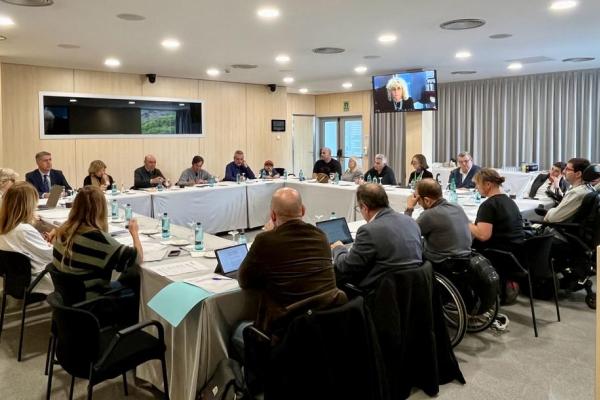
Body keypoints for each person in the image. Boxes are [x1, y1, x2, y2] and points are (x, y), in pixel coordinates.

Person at [238, 187, 347, 334]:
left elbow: (244, 281)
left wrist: (268, 233)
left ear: (273, 216)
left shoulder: (265, 240)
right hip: (326, 327)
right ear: (302, 210)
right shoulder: (321, 236)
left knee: (238, 330)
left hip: (286, 332)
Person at [332, 183, 422, 289]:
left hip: (381, 291)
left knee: (335, 271)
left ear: (365, 208)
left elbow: (346, 266)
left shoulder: (368, 231)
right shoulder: (410, 221)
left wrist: (338, 248)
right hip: (413, 288)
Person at [0, 182, 54, 293]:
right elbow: (50, 256)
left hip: (13, 279)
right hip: (37, 279)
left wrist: (43, 242)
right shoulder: (23, 230)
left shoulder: (5, 227)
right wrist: (55, 241)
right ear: (27, 205)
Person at [405, 179, 471, 265]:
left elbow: (405, 234)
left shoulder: (429, 215)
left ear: (427, 200)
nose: (418, 203)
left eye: (418, 200)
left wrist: (409, 208)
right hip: (465, 260)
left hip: (442, 263)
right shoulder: (457, 207)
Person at [469, 168, 524, 252]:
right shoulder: (509, 201)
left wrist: (465, 222)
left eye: (477, 184)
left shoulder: (488, 205)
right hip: (516, 251)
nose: (476, 187)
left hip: (497, 255)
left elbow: (483, 236)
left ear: (488, 184)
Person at [544, 158, 592, 223]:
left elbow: (553, 218)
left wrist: (550, 211)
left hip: (558, 230)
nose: (564, 172)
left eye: (567, 169)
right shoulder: (588, 188)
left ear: (578, 174)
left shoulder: (576, 193)